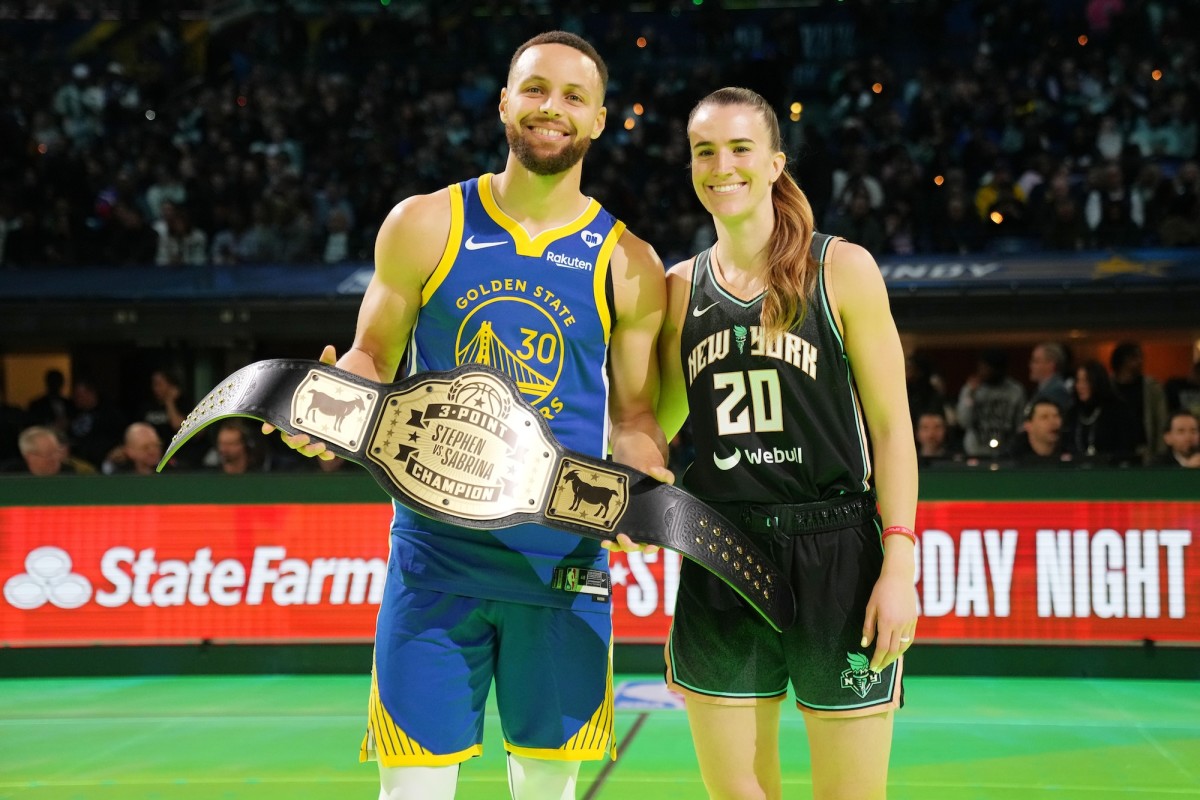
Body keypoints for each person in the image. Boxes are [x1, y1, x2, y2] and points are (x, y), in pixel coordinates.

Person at [267, 31, 667, 800]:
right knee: (412, 791)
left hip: (564, 566)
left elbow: (635, 416)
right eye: (537, 89)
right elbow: (373, 359)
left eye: (574, 97)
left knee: (546, 792)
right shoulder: (426, 223)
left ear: (601, 120)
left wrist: (643, 475)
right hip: (434, 561)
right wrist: (325, 407)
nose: (553, 108)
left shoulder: (629, 263)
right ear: (505, 104)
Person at [656, 87, 917, 800]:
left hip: (837, 551)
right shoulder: (680, 290)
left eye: (740, 148)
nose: (721, 164)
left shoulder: (843, 271)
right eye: (704, 151)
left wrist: (899, 563)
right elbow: (655, 423)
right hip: (720, 549)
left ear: (775, 163)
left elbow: (892, 428)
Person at [1011, 398, 1074, 466]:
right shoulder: (1012, 457)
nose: (1053, 422)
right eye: (1044, 417)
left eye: (1056, 416)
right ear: (1028, 425)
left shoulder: (1071, 451)